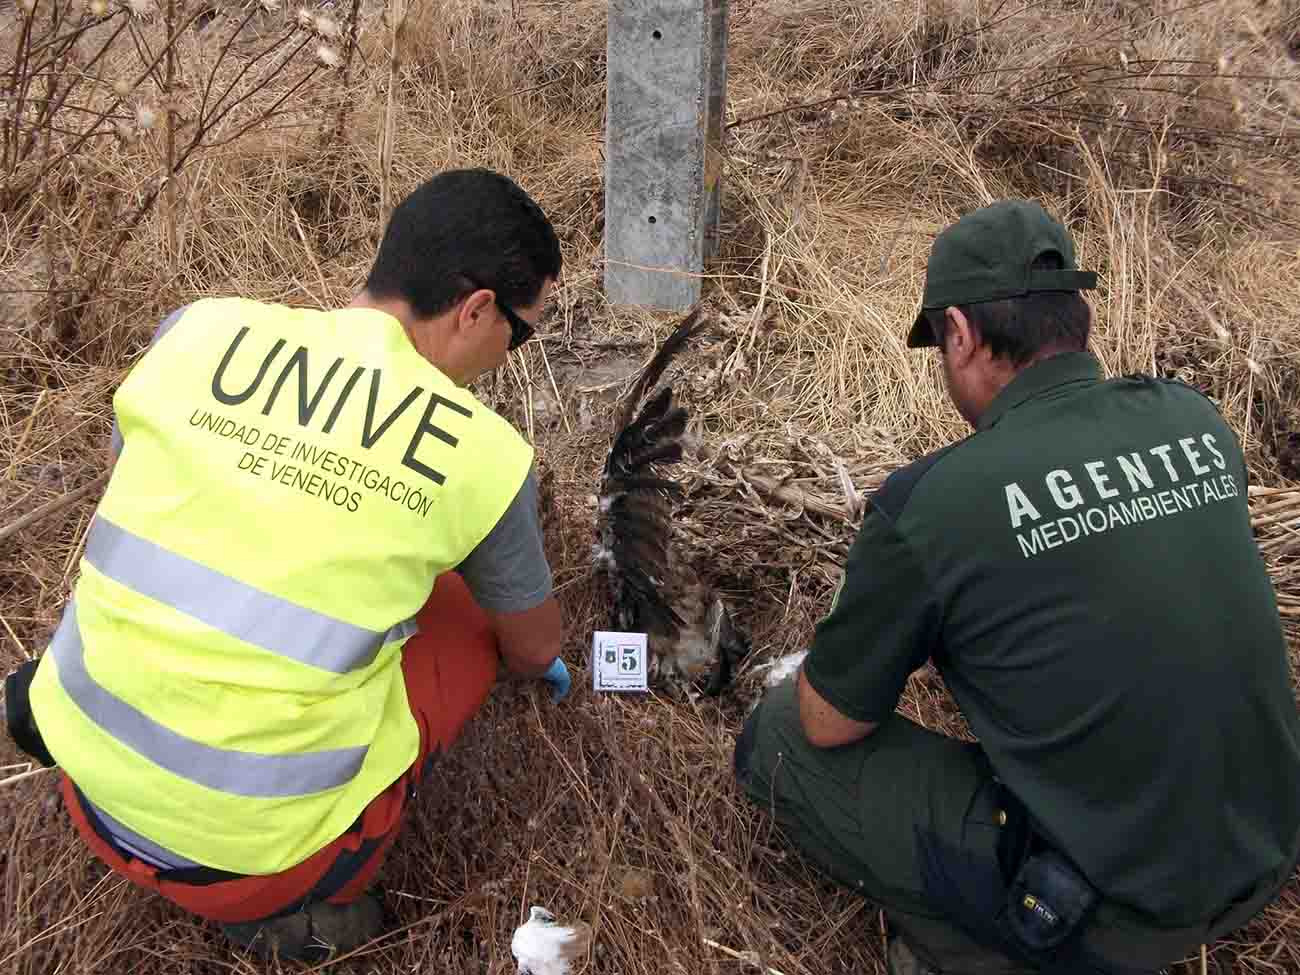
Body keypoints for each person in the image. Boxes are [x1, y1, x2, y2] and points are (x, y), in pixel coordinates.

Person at [2, 168, 573, 961]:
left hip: (82, 775)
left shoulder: (195, 330)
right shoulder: (478, 452)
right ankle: (310, 905)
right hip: (247, 865)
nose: (513, 352)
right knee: (469, 618)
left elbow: (131, 479)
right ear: (478, 309)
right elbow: (535, 647)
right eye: (523, 330)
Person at [733, 200, 1300, 975]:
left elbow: (829, 723)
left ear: (960, 334)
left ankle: (967, 951)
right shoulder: (1195, 420)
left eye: (939, 345)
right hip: (1265, 851)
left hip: (1122, 916)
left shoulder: (931, 503)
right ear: (1076, 313)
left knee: (778, 738)